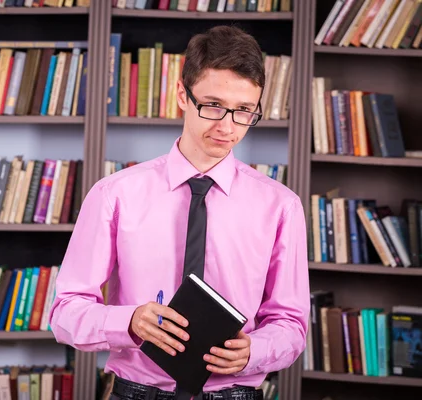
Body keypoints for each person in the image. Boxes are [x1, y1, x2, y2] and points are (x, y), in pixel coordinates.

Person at [48, 25, 310, 400]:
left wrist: (256, 350)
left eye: (244, 112)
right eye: (213, 105)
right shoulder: (115, 194)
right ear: (181, 95)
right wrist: (130, 321)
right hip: (138, 392)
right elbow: (65, 314)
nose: (226, 126)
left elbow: (291, 324)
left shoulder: (281, 206)